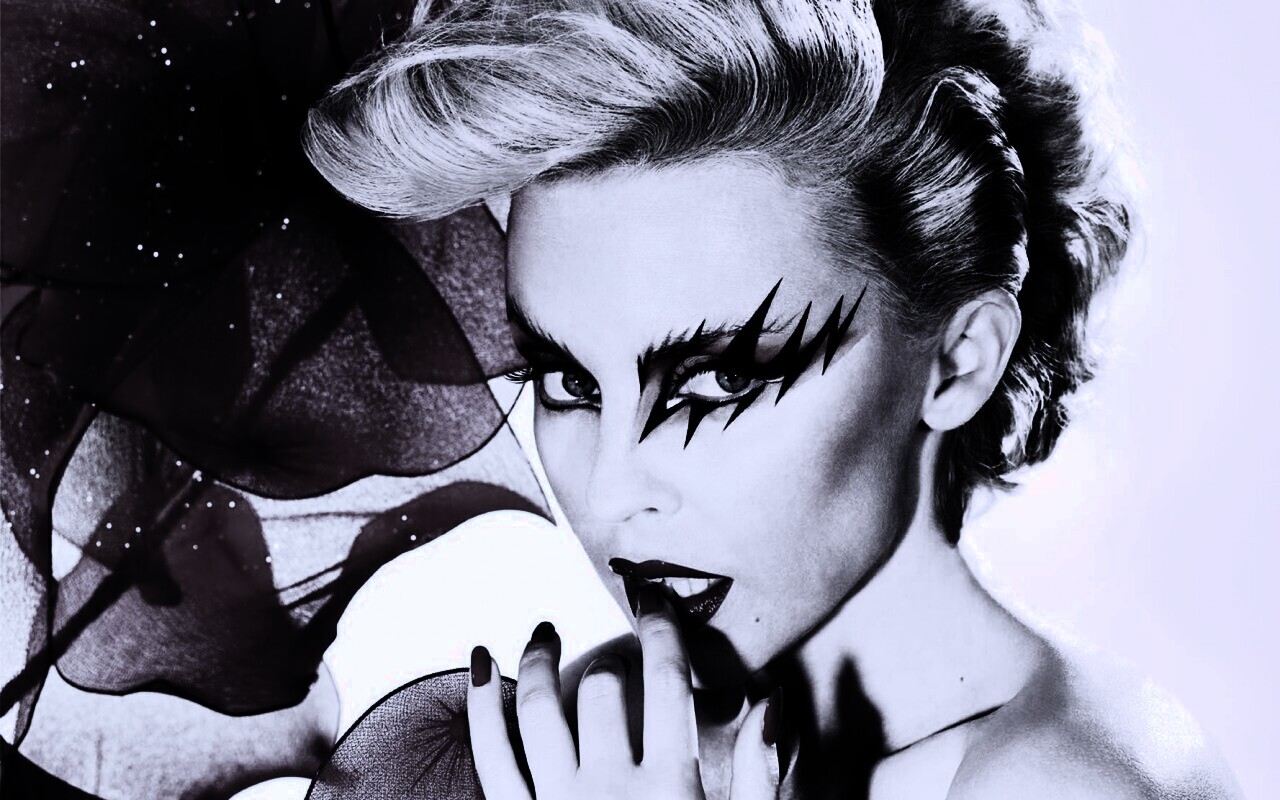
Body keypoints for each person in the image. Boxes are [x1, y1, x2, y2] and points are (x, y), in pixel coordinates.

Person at [304, 0, 1244, 797]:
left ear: (959, 363)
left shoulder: (1064, 782)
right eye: (572, 382)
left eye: (721, 381)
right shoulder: (569, 751)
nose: (611, 490)